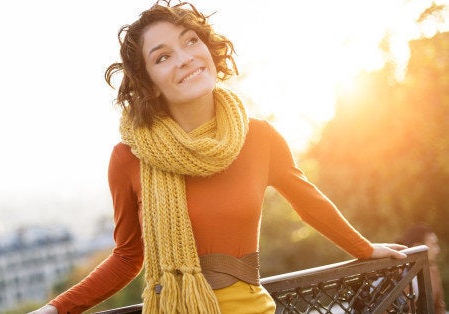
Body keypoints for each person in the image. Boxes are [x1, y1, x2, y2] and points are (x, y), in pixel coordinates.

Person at [31, 1, 407, 313]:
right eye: (162, 57)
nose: (185, 58)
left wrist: (365, 249)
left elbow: (310, 205)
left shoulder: (259, 136)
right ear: (148, 83)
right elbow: (128, 257)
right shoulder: (129, 157)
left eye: (190, 41)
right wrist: (55, 309)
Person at [397, 223, 446, 314]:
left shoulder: (432, 269)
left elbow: (439, 307)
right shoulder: (399, 273)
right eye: (433, 244)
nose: (438, 249)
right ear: (418, 247)